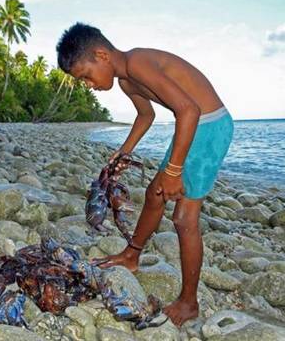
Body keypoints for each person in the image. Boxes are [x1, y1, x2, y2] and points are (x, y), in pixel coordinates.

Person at [56, 22, 234, 327]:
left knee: (184, 218)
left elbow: (188, 109)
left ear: (101, 55)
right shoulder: (127, 81)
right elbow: (146, 115)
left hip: (208, 126)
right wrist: (125, 151)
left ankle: (189, 302)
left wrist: (174, 171)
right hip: (193, 125)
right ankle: (132, 255)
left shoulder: (137, 62)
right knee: (155, 193)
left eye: (86, 75)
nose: (88, 84)